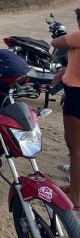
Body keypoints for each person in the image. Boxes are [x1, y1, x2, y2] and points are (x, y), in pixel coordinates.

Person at [51, 29, 80, 209]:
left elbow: (56, 43)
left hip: (77, 94)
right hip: (74, 90)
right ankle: (76, 186)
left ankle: (76, 197)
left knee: (75, 148)